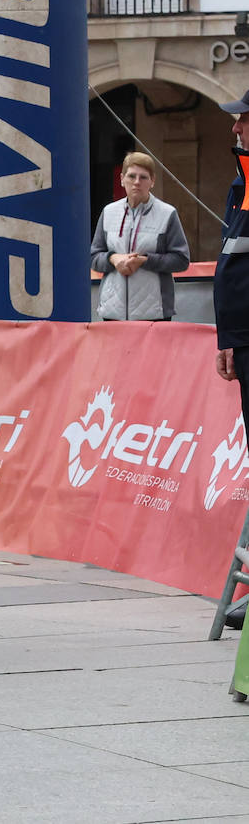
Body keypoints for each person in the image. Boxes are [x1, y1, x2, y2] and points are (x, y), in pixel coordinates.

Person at [215, 87, 249, 632]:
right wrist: (227, 335)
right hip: (242, 337)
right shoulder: (240, 183)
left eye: (242, 120)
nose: (236, 129)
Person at [90, 152, 190, 321]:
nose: (137, 182)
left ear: (152, 181)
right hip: (113, 313)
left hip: (154, 314)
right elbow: (94, 257)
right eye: (131, 176)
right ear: (122, 179)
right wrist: (113, 259)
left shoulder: (167, 214)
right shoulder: (108, 212)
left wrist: (144, 261)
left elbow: (181, 260)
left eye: (143, 177)